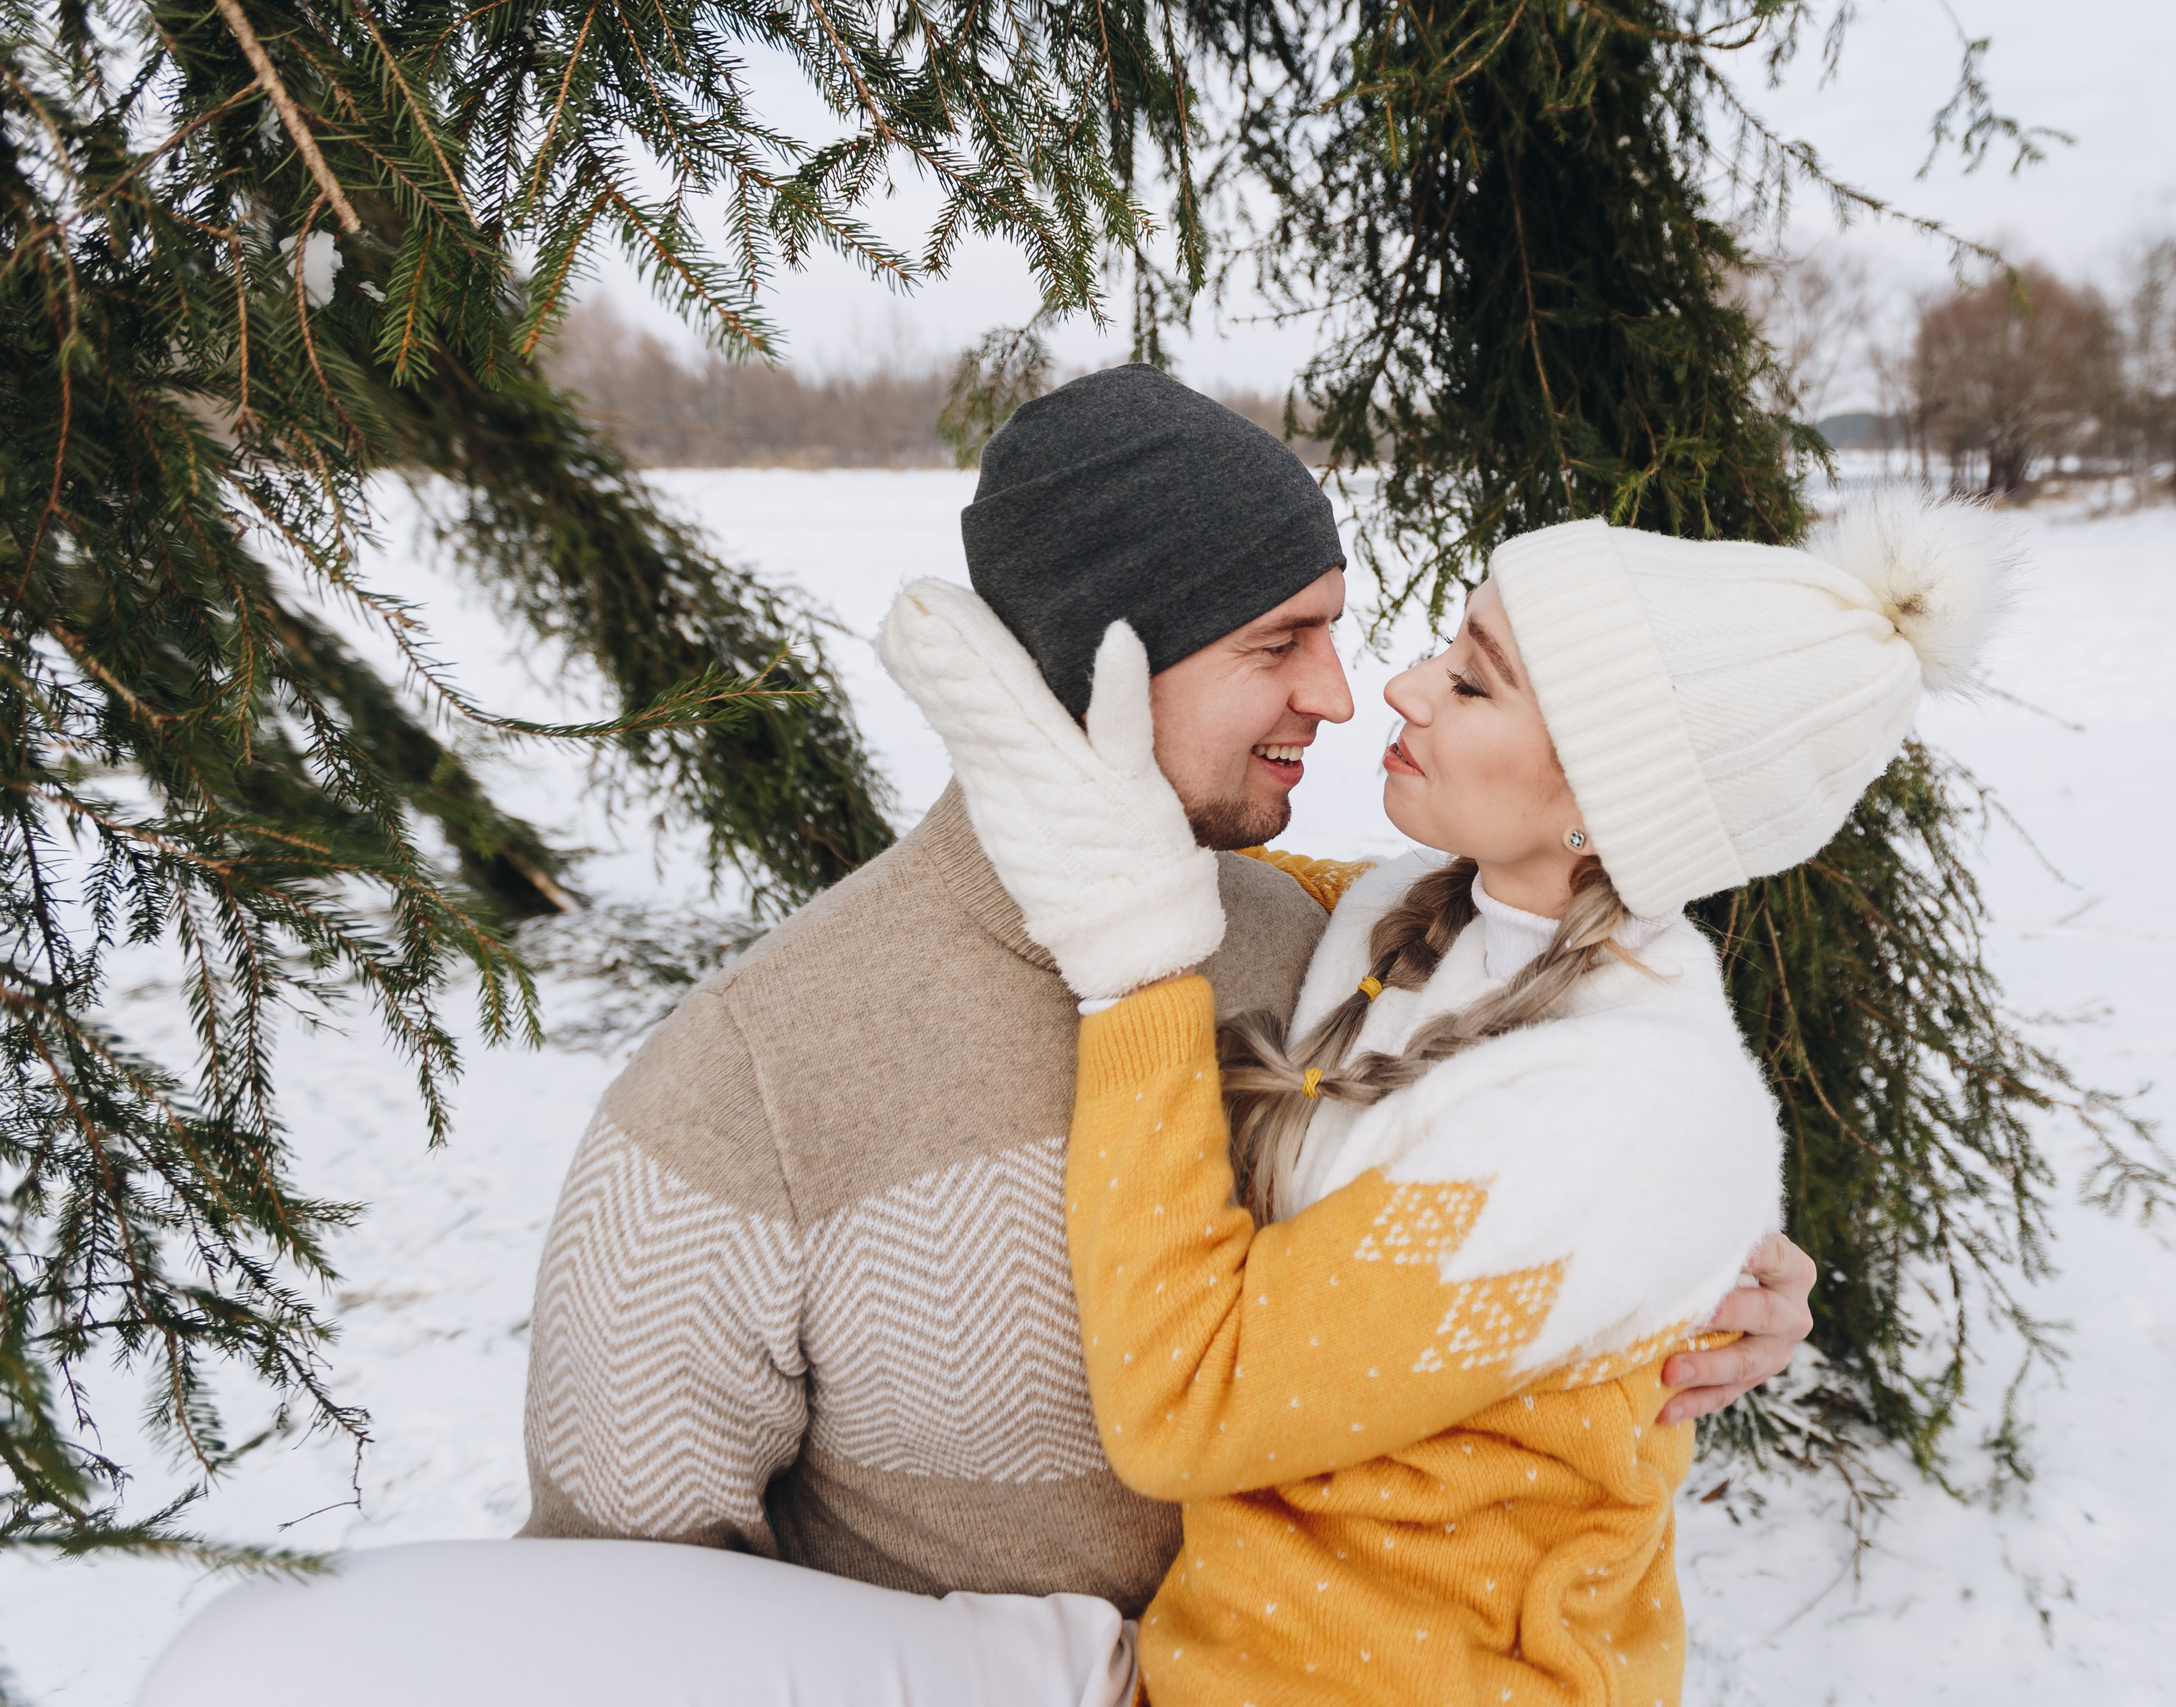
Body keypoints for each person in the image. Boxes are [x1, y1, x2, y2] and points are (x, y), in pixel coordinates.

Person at [137, 366, 1814, 1707]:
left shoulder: (1310, 940)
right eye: (1276, 641)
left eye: (1342, 627)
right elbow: (632, 1607)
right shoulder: (750, 1089)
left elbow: (1506, 1178)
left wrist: (1690, 1269)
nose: (1342, 689)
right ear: (1106, 662)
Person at [879, 487, 2015, 1704]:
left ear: (1608, 800)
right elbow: (1229, 880)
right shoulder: (1424, 910)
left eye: (1473, 683)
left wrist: (1134, 963)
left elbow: (1184, 1407)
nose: (1404, 688)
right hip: (1208, 1654)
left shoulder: (1624, 1113)